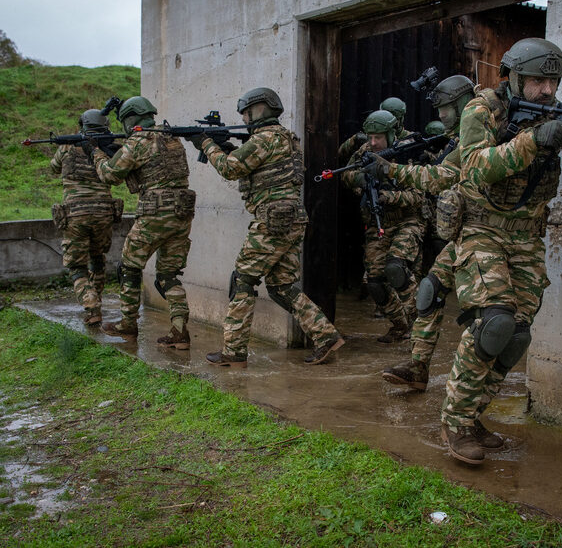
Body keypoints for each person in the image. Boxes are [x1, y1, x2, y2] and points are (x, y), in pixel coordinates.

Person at [439, 38, 562, 465]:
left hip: (526, 236)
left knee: (516, 335)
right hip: (482, 228)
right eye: (538, 80)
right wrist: (535, 140)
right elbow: (477, 167)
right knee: (494, 322)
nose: (546, 89)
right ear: (514, 77)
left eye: (553, 81)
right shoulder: (481, 110)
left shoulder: (556, 112)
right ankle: (456, 420)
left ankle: (474, 415)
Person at [189, 87, 345, 367]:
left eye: (247, 113)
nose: (245, 118)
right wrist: (223, 146)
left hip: (274, 219)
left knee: (243, 279)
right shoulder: (284, 138)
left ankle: (234, 351)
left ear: (260, 109)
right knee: (281, 285)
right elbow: (249, 164)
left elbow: (230, 168)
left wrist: (206, 144)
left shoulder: (266, 138)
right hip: (289, 218)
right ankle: (326, 336)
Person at [365, 75, 475, 391]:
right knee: (427, 293)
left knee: (490, 321)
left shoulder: (488, 136)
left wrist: (391, 172)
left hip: (495, 235)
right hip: (465, 231)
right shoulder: (464, 140)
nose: (439, 117)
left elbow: (437, 177)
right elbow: (440, 173)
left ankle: (467, 396)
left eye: (444, 109)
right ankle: (417, 369)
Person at [91, 96, 196, 350]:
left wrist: (95, 152)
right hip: (182, 214)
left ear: (131, 118)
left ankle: (128, 323)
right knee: (169, 275)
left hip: (154, 213)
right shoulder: (172, 138)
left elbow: (109, 175)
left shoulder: (138, 141)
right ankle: (179, 331)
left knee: (129, 267)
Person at [341, 110, 424, 343]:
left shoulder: (407, 152)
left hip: (407, 221)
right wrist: (362, 179)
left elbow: (419, 196)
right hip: (378, 224)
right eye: (370, 137)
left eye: (378, 137)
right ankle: (400, 325)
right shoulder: (365, 151)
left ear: (390, 134)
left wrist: (390, 197)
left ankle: (421, 326)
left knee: (396, 269)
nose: (373, 142)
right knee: (375, 281)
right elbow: (346, 175)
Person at [49, 109, 122, 326]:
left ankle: (91, 306)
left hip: (76, 215)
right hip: (103, 213)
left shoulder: (68, 146)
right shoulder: (106, 148)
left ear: (83, 125)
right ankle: (96, 301)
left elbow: (54, 168)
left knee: (77, 266)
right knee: (97, 258)